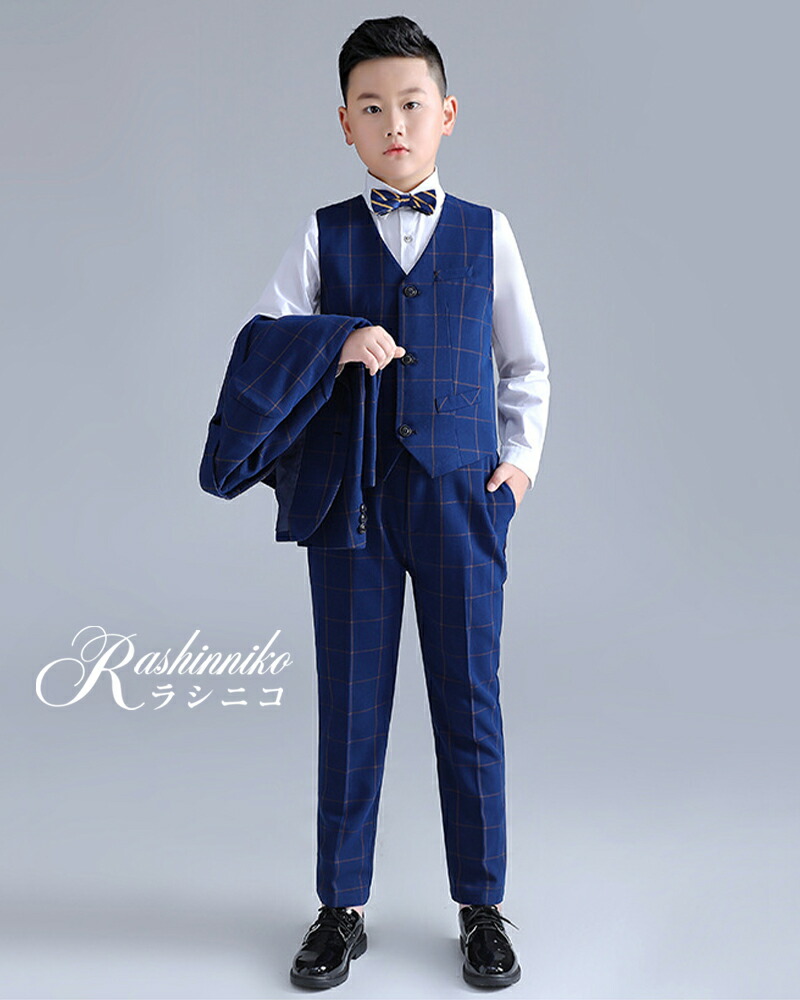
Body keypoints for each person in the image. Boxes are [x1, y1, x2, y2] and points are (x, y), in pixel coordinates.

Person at [204, 14, 550, 990]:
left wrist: (516, 472)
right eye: (370, 107)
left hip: (460, 502)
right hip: (348, 506)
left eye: (409, 104)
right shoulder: (324, 234)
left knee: (468, 702)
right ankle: (340, 907)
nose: (392, 124)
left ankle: (481, 904)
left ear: (446, 114)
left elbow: (526, 365)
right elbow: (261, 343)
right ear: (345, 124)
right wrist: (337, 339)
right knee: (351, 704)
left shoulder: (488, 232)